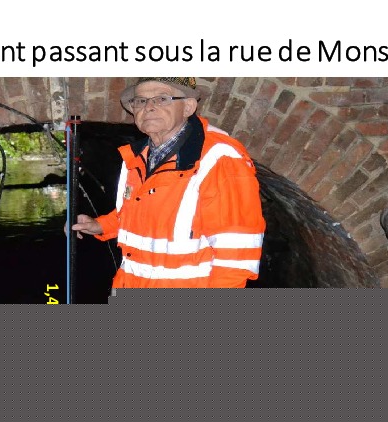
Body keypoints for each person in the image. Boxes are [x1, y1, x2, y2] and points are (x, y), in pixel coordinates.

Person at [71, 77, 266, 288]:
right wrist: (100, 225)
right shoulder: (138, 157)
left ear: (188, 107)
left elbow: (236, 257)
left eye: (162, 99)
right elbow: (141, 215)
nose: (149, 107)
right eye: (141, 101)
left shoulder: (219, 159)